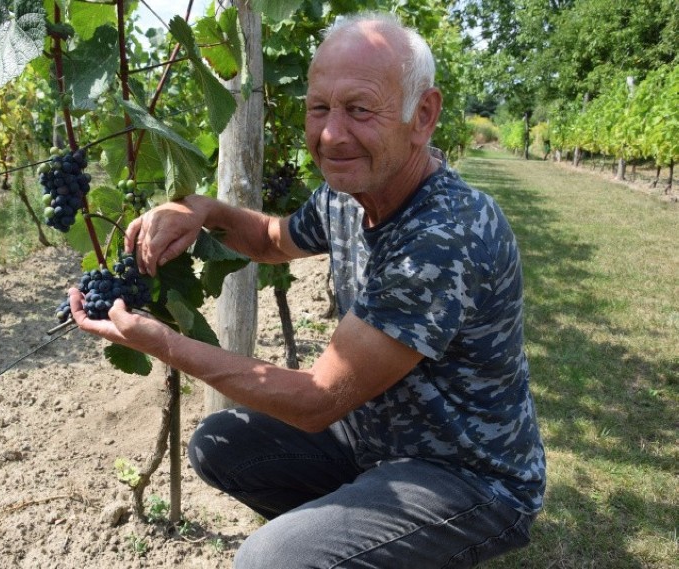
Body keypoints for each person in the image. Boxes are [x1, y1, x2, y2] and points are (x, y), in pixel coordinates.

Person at [70, 11, 545, 568]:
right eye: (319, 108)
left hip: (464, 475)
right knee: (220, 444)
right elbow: (274, 239)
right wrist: (204, 210)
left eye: (360, 109)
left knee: (270, 561)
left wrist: (161, 342)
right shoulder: (353, 190)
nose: (331, 134)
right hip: (374, 437)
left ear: (424, 116)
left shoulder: (444, 237)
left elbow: (318, 401)